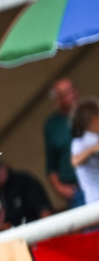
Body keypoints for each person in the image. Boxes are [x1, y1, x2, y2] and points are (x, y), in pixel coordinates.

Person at [0, 148, 52, 226]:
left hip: (34, 233)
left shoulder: (24, 181)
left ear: (4, 164)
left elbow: (45, 212)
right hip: (6, 237)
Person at [43, 78, 83, 208]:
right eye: (66, 92)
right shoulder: (52, 125)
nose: (72, 94)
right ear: (58, 100)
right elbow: (51, 164)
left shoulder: (91, 113)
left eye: (72, 89)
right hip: (76, 189)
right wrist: (59, 187)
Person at [70, 96, 99, 205]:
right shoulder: (79, 143)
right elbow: (75, 161)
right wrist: (92, 150)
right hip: (94, 202)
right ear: (95, 120)